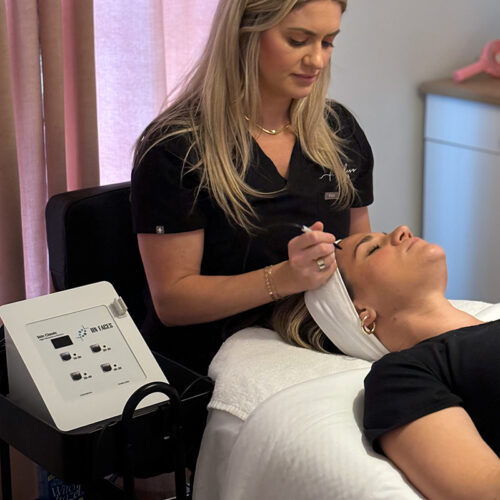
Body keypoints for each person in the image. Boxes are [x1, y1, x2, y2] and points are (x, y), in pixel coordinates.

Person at [130, 0, 374, 375]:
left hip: (313, 348)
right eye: (298, 40)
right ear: (243, 37)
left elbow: (357, 253)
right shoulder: (177, 148)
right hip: (212, 364)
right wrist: (283, 278)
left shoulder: (337, 130)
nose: (317, 61)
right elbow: (173, 301)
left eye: (327, 42)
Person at [272, 225, 500, 499]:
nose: (402, 230)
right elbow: (483, 489)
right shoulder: (402, 376)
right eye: (374, 249)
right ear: (362, 313)